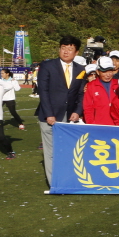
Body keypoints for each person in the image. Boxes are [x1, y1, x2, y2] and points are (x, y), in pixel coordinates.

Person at [36, 35, 86, 188]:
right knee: (51, 151)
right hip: (49, 115)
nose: (65, 52)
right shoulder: (47, 66)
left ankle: (67, 179)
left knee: (67, 150)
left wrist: (77, 111)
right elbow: (43, 91)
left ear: (76, 52)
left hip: (69, 116)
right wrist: (49, 113)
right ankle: (55, 184)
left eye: (70, 49)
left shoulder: (80, 69)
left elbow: (80, 94)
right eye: (63, 48)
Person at [82, 57, 119, 125]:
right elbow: (88, 109)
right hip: (99, 126)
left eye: (110, 71)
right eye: (104, 71)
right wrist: (91, 125)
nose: (108, 74)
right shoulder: (91, 86)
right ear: (97, 72)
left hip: (118, 126)